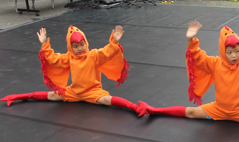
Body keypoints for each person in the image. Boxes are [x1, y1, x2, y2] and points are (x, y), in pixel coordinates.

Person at [0, 26, 147, 117]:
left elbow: (107, 52)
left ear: (86, 43)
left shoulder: (93, 55)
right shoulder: (69, 58)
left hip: (92, 92)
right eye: (75, 46)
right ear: (71, 48)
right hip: (74, 92)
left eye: (82, 45)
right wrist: (45, 44)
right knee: (51, 96)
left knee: (107, 100)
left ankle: (134, 107)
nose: (80, 48)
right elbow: (53, 59)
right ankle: (19, 96)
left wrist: (114, 42)